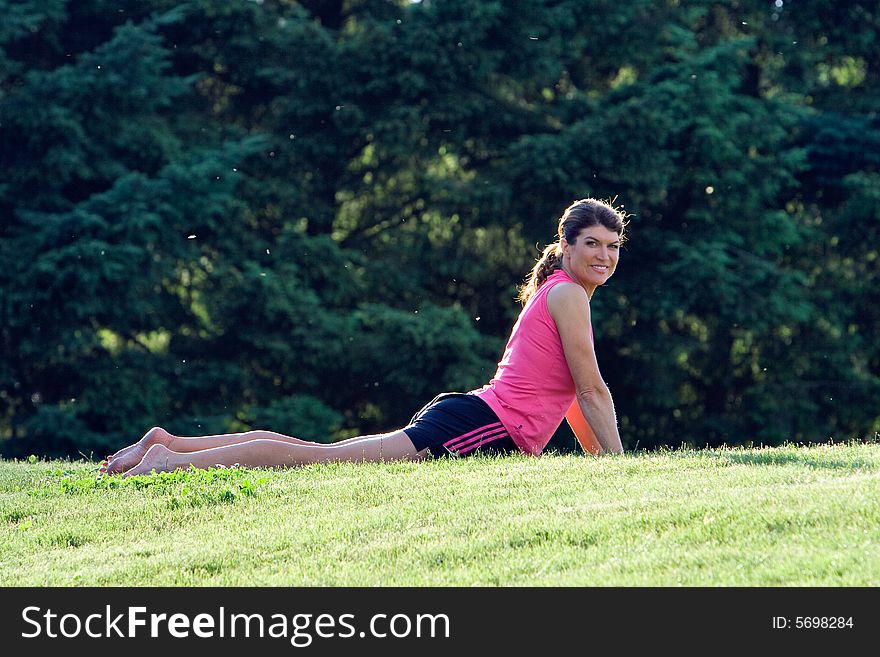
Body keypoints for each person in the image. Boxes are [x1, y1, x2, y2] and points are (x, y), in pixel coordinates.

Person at [101, 198, 625, 477]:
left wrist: (597, 464)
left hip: (475, 418)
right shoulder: (568, 295)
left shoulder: (561, 292)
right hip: (481, 426)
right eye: (593, 243)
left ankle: (169, 444)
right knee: (319, 462)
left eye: (614, 246)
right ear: (566, 244)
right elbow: (591, 390)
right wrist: (622, 468)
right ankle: (171, 463)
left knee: (316, 453)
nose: (604, 256)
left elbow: (570, 398)